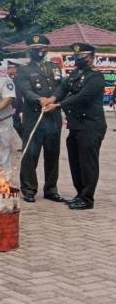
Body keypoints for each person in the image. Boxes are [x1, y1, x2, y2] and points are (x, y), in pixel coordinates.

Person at [44, 43, 106, 210]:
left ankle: (87, 198)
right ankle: (80, 194)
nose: (79, 61)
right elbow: (62, 89)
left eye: (83, 58)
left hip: (91, 126)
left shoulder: (96, 77)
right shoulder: (75, 74)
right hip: (76, 125)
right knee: (75, 162)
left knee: (88, 163)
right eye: (77, 58)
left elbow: (83, 97)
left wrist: (57, 106)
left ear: (93, 58)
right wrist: (51, 99)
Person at [15, 35, 66, 203]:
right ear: (30, 51)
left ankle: (51, 189)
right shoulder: (24, 70)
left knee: (52, 154)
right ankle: (29, 189)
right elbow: (25, 90)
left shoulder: (55, 67)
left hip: (53, 117)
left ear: (47, 49)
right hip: (34, 117)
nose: (39, 52)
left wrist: (52, 99)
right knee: (30, 154)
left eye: (42, 48)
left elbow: (61, 88)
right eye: (35, 49)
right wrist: (39, 99)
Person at [6, 62, 24, 141]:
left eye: (10, 68)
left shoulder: (18, 79)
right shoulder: (9, 79)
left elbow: (18, 94)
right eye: (8, 68)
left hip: (16, 107)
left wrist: (15, 107)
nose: (8, 70)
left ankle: (26, 143)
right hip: (10, 107)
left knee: (17, 125)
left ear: (15, 69)